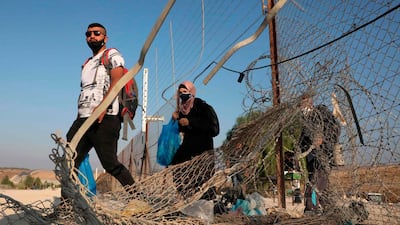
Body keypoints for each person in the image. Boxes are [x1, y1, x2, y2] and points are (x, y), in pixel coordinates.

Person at [64, 23, 135, 199]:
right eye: (88, 34)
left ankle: (139, 198)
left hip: (105, 117)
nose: (92, 36)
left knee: (110, 163)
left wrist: (103, 106)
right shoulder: (87, 63)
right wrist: (78, 118)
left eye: (97, 33)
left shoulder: (111, 54)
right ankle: (65, 206)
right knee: (69, 162)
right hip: (83, 119)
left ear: (105, 38)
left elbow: (118, 80)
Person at [169, 80, 219, 199]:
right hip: (188, 147)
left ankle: (209, 203)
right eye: (180, 93)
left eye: (185, 92)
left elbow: (214, 129)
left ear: (192, 92)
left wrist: (191, 122)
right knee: (177, 167)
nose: (183, 95)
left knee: (204, 177)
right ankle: (187, 197)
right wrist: (176, 120)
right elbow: (180, 129)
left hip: (203, 148)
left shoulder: (203, 107)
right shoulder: (183, 110)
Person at [297, 93, 340, 214]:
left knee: (316, 183)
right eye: (301, 105)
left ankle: (311, 208)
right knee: (317, 182)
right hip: (311, 157)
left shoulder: (321, 113)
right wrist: (297, 151)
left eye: (303, 104)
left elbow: (335, 128)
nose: (302, 107)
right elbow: (303, 139)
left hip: (324, 155)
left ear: (310, 103)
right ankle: (323, 208)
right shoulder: (305, 120)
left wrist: (322, 137)